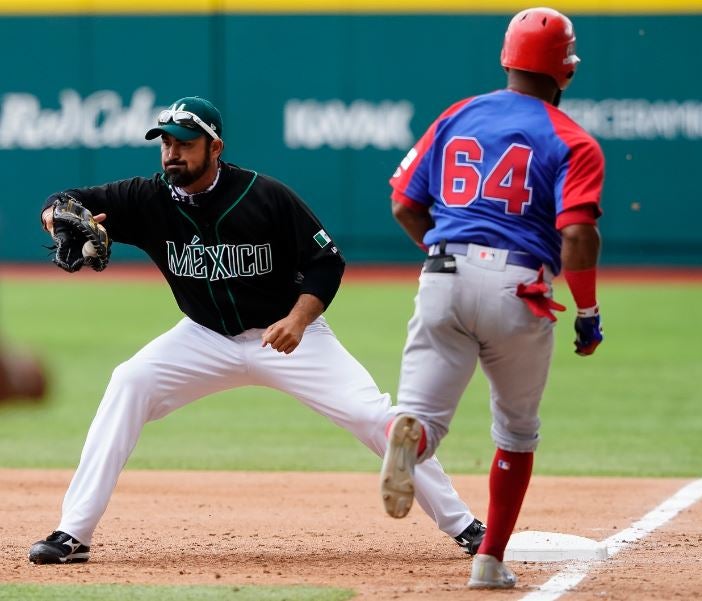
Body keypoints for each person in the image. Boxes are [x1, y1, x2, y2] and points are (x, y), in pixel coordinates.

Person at [29, 96, 486, 564]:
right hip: (203, 337)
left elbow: (327, 262)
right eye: (165, 142)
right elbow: (66, 200)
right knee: (129, 381)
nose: (172, 152)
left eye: (185, 142)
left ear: (215, 147)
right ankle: (74, 532)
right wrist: (58, 220)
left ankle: (465, 525)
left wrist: (299, 319)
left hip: (287, 336)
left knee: (373, 416)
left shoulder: (264, 195)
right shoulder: (146, 198)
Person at [379, 7, 605, 589]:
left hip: (443, 273)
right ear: (567, 70)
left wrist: (442, 260)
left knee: (423, 418)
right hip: (517, 287)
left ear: (506, 59)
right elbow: (578, 235)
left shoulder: (460, 114)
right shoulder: (572, 140)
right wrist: (587, 312)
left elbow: (405, 203)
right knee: (516, 431)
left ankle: (413, 438)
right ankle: (489, 559)